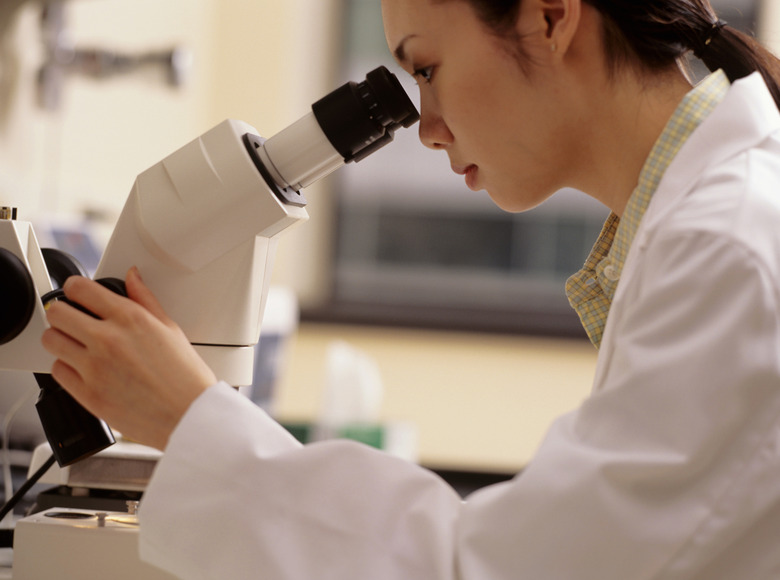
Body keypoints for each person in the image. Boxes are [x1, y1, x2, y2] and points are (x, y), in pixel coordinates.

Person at [41, 0, 780, 577]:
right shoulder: (710, 228)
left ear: (550, 18)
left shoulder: (726, 253)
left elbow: (489, 573)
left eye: (426, 70)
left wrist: (191, 418)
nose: (426, 129)